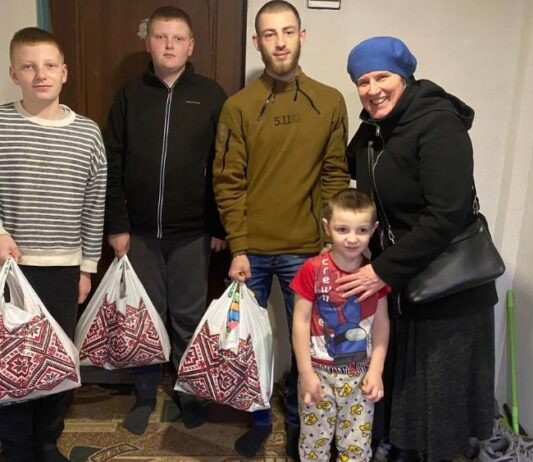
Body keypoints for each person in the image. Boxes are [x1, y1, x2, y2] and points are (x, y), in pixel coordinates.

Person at [338, 36, 497, 462]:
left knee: (440, 407)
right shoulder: (373, 132)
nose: (373, 89)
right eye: (363, 81)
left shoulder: (438, 124)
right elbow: (353, 182)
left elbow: (447, 214)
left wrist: (380, 270)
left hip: (448, 291)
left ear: (405, 77)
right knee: (407, 399)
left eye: (383, 77)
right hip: (405, 285)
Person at [213, 1, 350, 458]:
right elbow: (228, 181)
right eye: (270, 34)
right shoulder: (238, 106)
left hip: (306, 249)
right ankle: (257, 418)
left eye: (287, 32)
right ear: (257, 42)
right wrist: (238, 246)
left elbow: (335, 175)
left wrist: (331, 244)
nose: (280, 42)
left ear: (301, 36)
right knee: (250, 343)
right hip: (250, 250)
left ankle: (299, 421)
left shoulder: (329, 100)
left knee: (309, 344)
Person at [105, 6, 227, 435]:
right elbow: (112, 162)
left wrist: (219, 226)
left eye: (177, 38)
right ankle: (143, 393)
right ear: (148, 42)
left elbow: (224, 164)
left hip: (193, 232)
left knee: (189, 315)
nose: (169, 45)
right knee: (143, 314)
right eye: (161, 37)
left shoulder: (211, 95)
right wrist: (116, 224)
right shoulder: (129, 95)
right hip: (138, 233)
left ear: (190, 46)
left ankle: (187, 391)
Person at [0, 27, 107, 462]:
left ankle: (47, 440)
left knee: (57, 358)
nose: (39, 74)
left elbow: (94, 204)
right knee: (12, 357)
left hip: (63, 269)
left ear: (64, 72)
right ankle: (15, 444)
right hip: (10, 269)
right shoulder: (2, 125)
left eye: (48, 66)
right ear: (14, 73)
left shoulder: (87, 133)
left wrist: (87, 268)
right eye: (28, 66)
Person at [291, 189, 389, 462]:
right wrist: (305, 372)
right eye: (342, 229)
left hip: (360, 376)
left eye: (362, 230)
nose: (352, 238)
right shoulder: (312, 269)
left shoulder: (375, 275)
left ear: (373, 230)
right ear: (327, 227)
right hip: (318, 373)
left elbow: (382, 324)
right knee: (314, 446)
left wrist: (376, 370)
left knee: (356, 448)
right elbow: (300, 322)